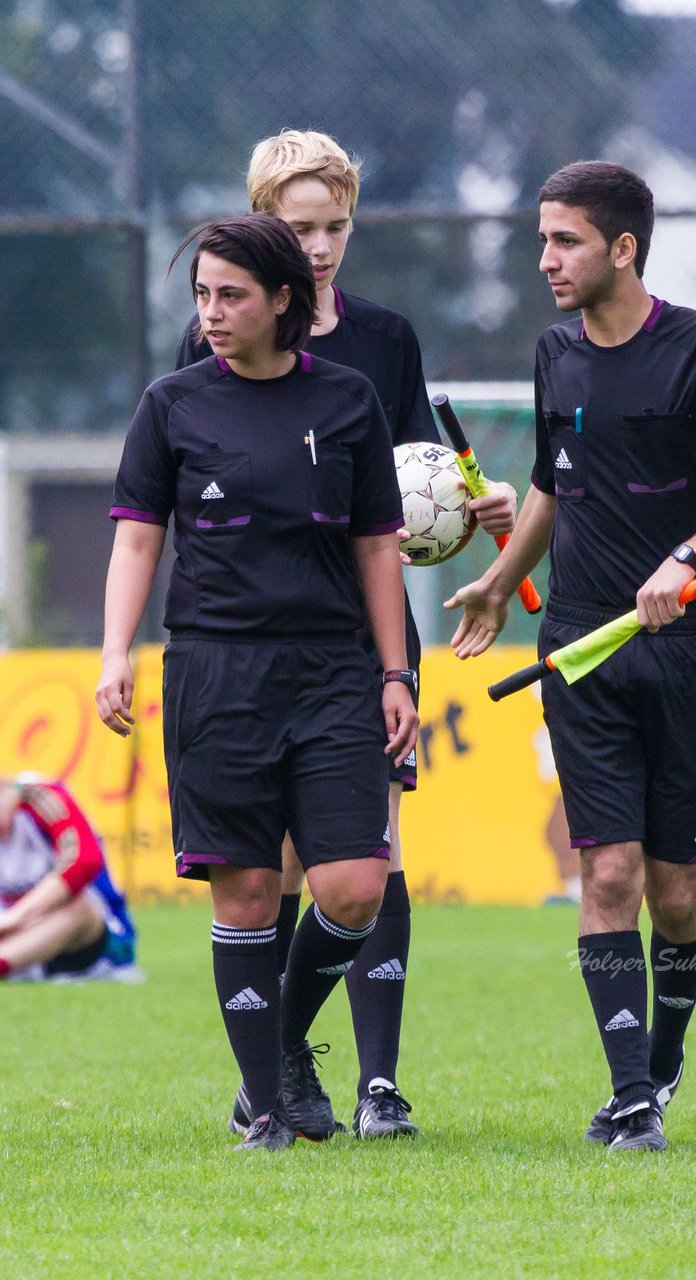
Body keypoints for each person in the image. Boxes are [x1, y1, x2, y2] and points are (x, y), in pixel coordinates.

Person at [445, 161, 696, 1151]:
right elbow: (554, 483)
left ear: (623, 248)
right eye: (541, 239)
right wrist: (497, 576)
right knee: (605, 873)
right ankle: (630, 1096)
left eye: (562, 241)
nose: (544, 259)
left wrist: (687, 555)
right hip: (579, 648)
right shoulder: (553, 353)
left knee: (676, 889)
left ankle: (663, 1055)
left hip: (685, 646)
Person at [175, 129, 516, 1139]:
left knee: (375, 848)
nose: (318, 247)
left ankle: (377, 1082)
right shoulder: (215, 335)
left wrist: (475, 499)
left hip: (365, 634)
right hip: (258, 638)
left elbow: (410, 479)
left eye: (334, 226)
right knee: (282, 862)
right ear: (258, 224)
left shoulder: (386, 337)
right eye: (296, 225)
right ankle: (281, 1058)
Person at [97, 213, 419, 1152]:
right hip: (216, 673)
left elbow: (378, 548)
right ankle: (267, 1111)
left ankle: (277, 1041)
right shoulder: (172, 403)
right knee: (242, 896)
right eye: (201, 294)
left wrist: (394, 670)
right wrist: (116, 650)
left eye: (230, 294)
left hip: (332, 671)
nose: (211, 313)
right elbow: (135, 534)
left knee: (355, 885)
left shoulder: (351, 398)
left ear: (285, 300)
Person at [0, 774, 136, 982]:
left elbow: (85, 861)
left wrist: (17, 917)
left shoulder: (40, 798)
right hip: (19, 941)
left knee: (79, 906)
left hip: (91, 944)